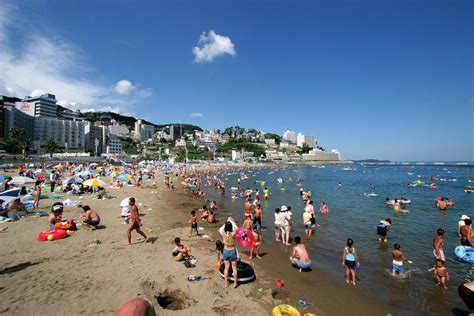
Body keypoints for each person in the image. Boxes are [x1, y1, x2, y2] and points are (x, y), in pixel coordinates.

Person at [220, 220, 238, 288]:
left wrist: (227, 222)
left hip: (226, 251)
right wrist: (232, 221)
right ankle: (235, 283)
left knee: (226, 267)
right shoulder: (234, 234)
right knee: (234, 267)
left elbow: (222, 228)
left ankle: (226, 283)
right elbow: (236, 228)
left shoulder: (222, 233)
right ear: (231, 227)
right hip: (232, 251)